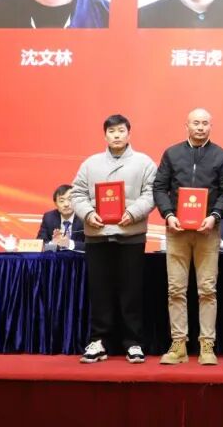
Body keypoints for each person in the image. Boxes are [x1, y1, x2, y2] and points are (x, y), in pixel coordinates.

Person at [68, 114, 157, 364]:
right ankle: (99, 341)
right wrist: (88, 213)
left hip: (131, 236)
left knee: (131, 291)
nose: (116, 135)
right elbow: (77, 194)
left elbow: (152, 193)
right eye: (111, 131)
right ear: (105, 135)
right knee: (100, 291)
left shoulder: (144, 162)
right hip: (97, 236)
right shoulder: (90, 164)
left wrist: (133, 212)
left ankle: (133, 342)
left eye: (121, 131)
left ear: (129, 133)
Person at [152, 108, 223, 366]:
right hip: (177, 231)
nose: (200, 127)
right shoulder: (172, 153)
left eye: (205, 123)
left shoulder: (221, 156)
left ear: (211, 126)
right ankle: (179, 345)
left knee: (207, 290)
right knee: (175, 289)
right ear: (186, 125)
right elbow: (160, 187)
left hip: (207, 232)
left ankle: (207, 344)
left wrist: (215, 216)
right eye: (195, 123)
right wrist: (168, 214)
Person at [36, 184, 85, 251]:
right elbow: (39, 244)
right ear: (56, 204)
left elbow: (92, 246)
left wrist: (69, 244)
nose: (66, 204)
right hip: (57, 257)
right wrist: (53, 244)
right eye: (62, 201)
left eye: (70, 199)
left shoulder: (84, 217)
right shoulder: (49, 218)